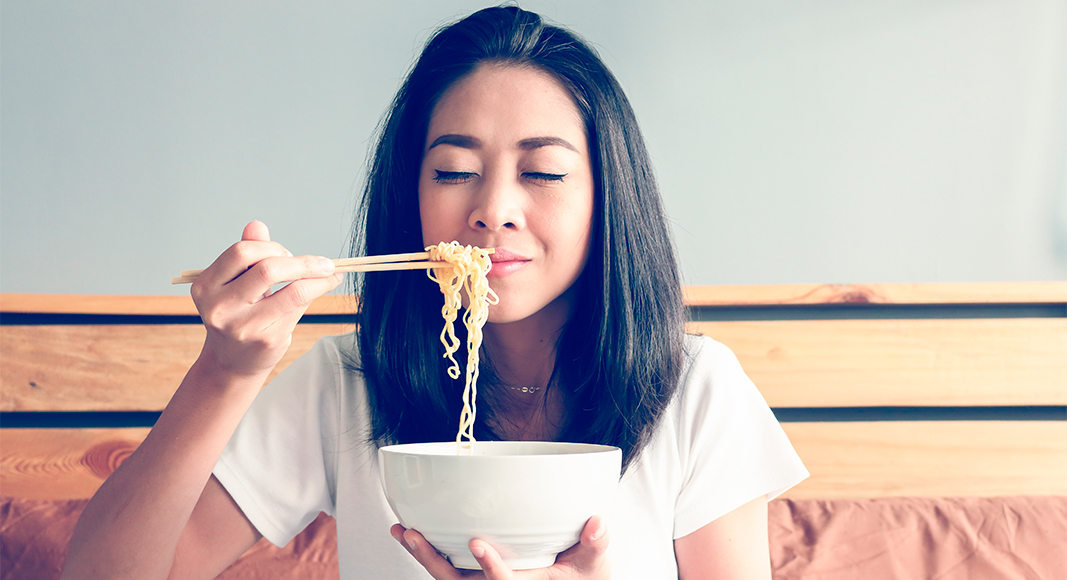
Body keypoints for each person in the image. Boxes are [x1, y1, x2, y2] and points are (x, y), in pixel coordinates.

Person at [62, 6, 807, 580]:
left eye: (542, 173)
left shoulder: (694, 391)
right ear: (410, 195)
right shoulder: (346, 384)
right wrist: (224, 372)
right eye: (452, 171)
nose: (493, 209)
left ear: (608, 199)